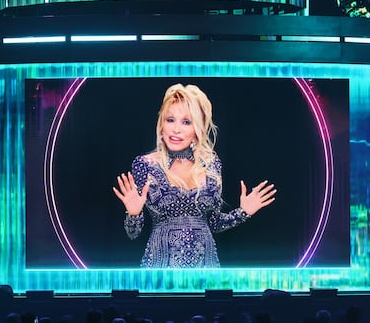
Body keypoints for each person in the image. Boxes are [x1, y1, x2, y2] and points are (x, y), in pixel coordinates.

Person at [112, 83, 277, 268]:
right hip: (160, 268)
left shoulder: (211, 162)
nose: (176, 129)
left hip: (206, 269)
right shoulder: (145, 164)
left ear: (197, 129)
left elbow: (214, 223)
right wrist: (133, 213)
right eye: (170, 120)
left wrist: (243, 212)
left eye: (186, 122)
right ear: (161, 125)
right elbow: (133, 233)